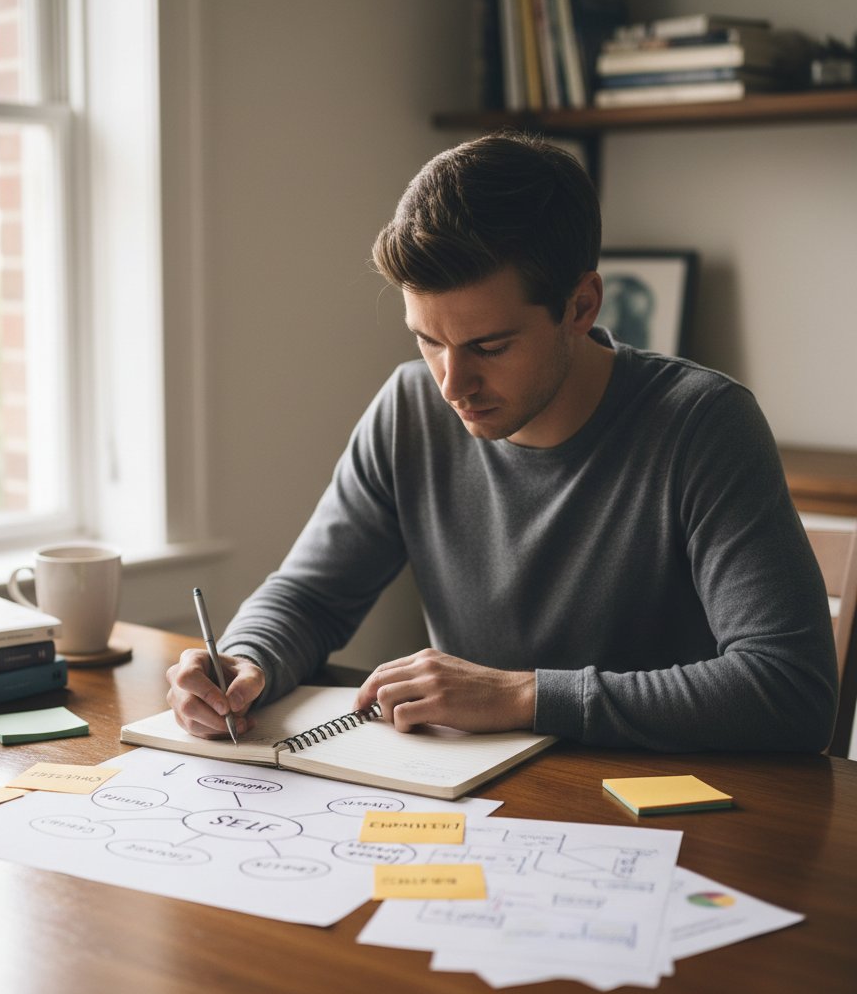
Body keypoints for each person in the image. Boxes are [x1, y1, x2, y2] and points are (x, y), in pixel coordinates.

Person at [167, 132, 838, 753]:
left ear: (581, 307)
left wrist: (523, 694)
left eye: (489, 346)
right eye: (428, 340)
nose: (453, 384)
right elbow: (312, 597)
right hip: (479, 805)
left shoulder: (704, 425)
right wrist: (245, 659)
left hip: (665, 815)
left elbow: (791, 689)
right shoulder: (409, 408)